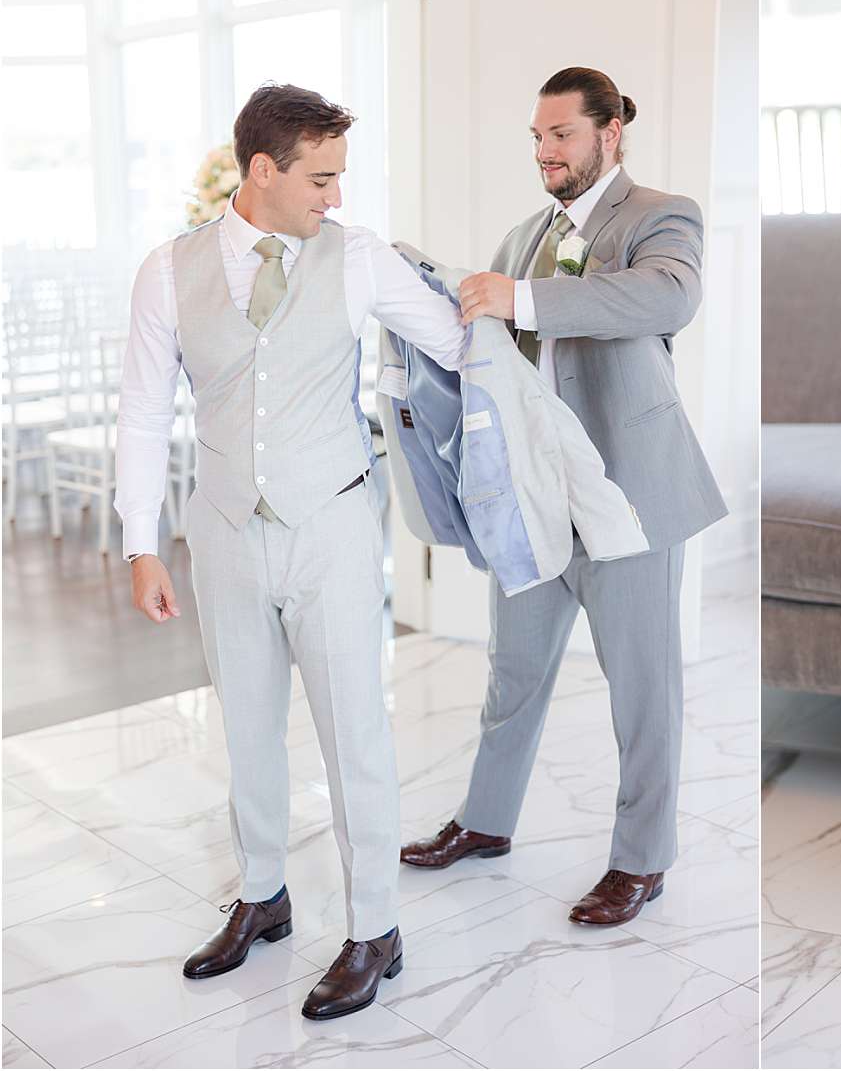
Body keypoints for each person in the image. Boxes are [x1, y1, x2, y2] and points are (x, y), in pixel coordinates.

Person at [116, 83, 468, 1020]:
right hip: (225, 532)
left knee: (356, 730)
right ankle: (263, 895)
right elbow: (146, 410)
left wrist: (528, 317)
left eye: (341, 177)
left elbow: (456, 344)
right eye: (321, 177)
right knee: (247, 730)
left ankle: (375, 928)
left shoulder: (357, 259)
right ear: (262, 172)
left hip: (335, 528)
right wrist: (138, 543)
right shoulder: (167, 271)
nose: (336, 198)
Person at [400, 67, 727, 927]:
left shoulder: (663, 215)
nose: (544, 151)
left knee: (642, 687)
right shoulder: (523, 236)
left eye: (561, 135)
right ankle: (486, 821)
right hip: (538, 499)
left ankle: (642, 859)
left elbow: (670, 295)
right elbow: (492, 343)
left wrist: (527, 297)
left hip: (631, 492)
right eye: (537, 138)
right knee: (513, 670)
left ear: (610, 131)